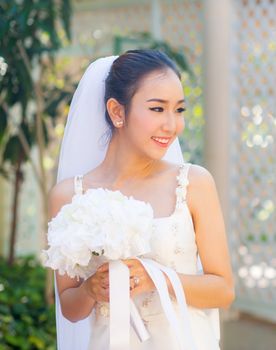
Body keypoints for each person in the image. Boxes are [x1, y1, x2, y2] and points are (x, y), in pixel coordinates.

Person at [48, 49, 235, 350]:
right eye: (158, 109)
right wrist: (91, 290)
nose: (172, 125)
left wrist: (155, 277)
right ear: (117, 111)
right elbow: (69, 307)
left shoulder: (193, 183)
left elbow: (223, 290)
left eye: (179, 110)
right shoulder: (70, 196)